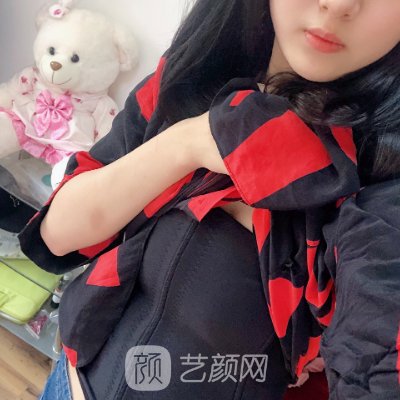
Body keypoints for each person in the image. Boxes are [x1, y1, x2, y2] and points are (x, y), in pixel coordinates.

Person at [17, 0, 400, 399]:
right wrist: (190, 141)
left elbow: (379, 344)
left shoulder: (381, 178)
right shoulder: (189, 78)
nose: (337, 4)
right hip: (67, 385)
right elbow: (58, 236)